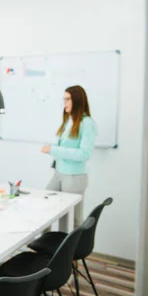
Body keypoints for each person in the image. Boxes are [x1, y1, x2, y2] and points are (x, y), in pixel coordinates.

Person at [41, 85, 97, 227]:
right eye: (64, 99)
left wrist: (53, 150)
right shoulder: (68, 121)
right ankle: (46, 245)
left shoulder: (87, 123)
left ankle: (72, 249)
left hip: (74, 177)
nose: (64, 103)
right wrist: (54, 148)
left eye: (67, 99)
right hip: (59, 173)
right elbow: (65, 146)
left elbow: (84, 154)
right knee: (45, 204)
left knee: (71, 220)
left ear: (77, 101)